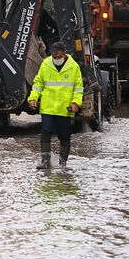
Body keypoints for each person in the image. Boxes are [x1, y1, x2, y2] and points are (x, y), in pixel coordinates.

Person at [28, 41, 84, 169]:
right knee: (46, 132)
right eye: (54, 57)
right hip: (48, 107)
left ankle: (63, 163)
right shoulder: (46, 64)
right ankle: (45, 161)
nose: (57, 59)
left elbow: (78, 87)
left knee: (64, 135)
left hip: (64, 108)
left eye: (59, 57)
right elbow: (38, 83)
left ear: (64, 54)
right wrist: (33, 98)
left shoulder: (73, 67)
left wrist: (76, 102)